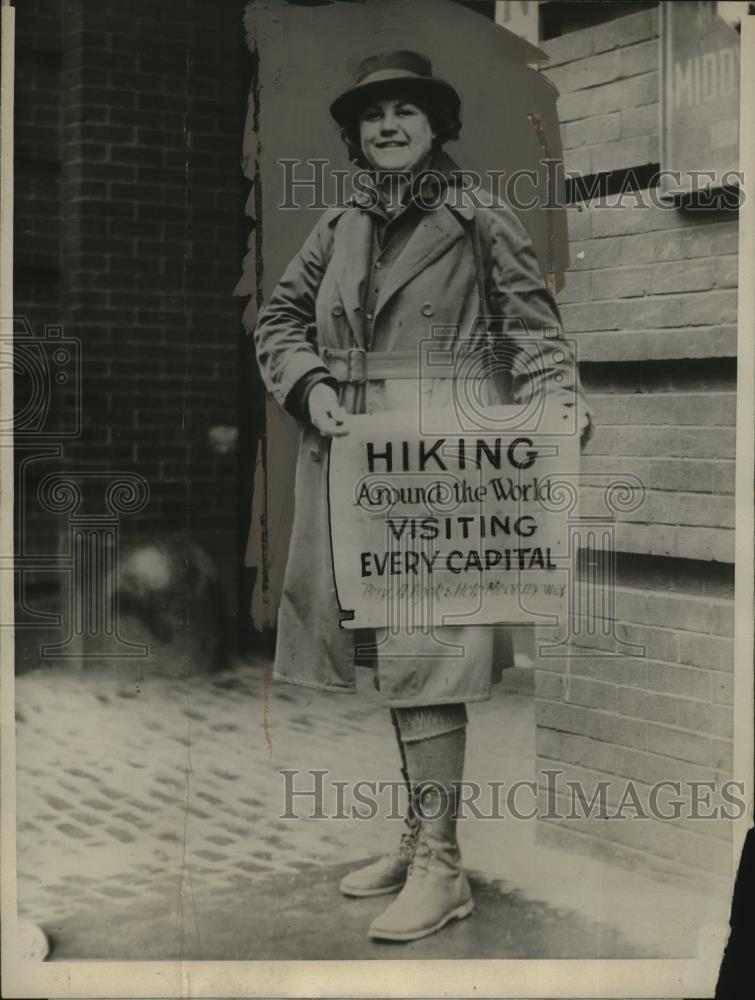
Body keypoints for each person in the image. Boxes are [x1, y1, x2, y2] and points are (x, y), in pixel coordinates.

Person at [254, 49, 592, 942]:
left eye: (407, 110)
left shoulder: (482, 217)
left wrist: (556, 418)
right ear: (356, 136)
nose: (389, 125)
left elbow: (534, 336)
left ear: (438, 126)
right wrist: (311, 386)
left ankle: (442, 865)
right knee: (394, 662)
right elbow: (279, 319)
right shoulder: (338, 224)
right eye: (372, 116)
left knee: (427, 657)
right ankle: (416, 840)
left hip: (443, 471)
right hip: (349, 460)